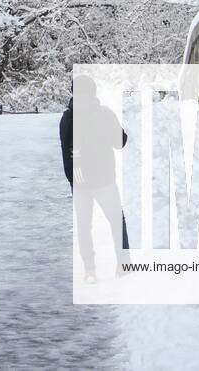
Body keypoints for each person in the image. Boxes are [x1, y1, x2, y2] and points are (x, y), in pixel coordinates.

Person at [60, 76, 130, 282]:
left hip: (82, 182)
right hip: (103, 180)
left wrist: (73, 181)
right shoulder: (104, 114)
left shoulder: (67, 118)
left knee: (84, 226)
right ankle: (123, 265)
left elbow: (66, 154)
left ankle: (90, 270)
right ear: (94, 93)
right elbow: (121, 142)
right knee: (117, 221)